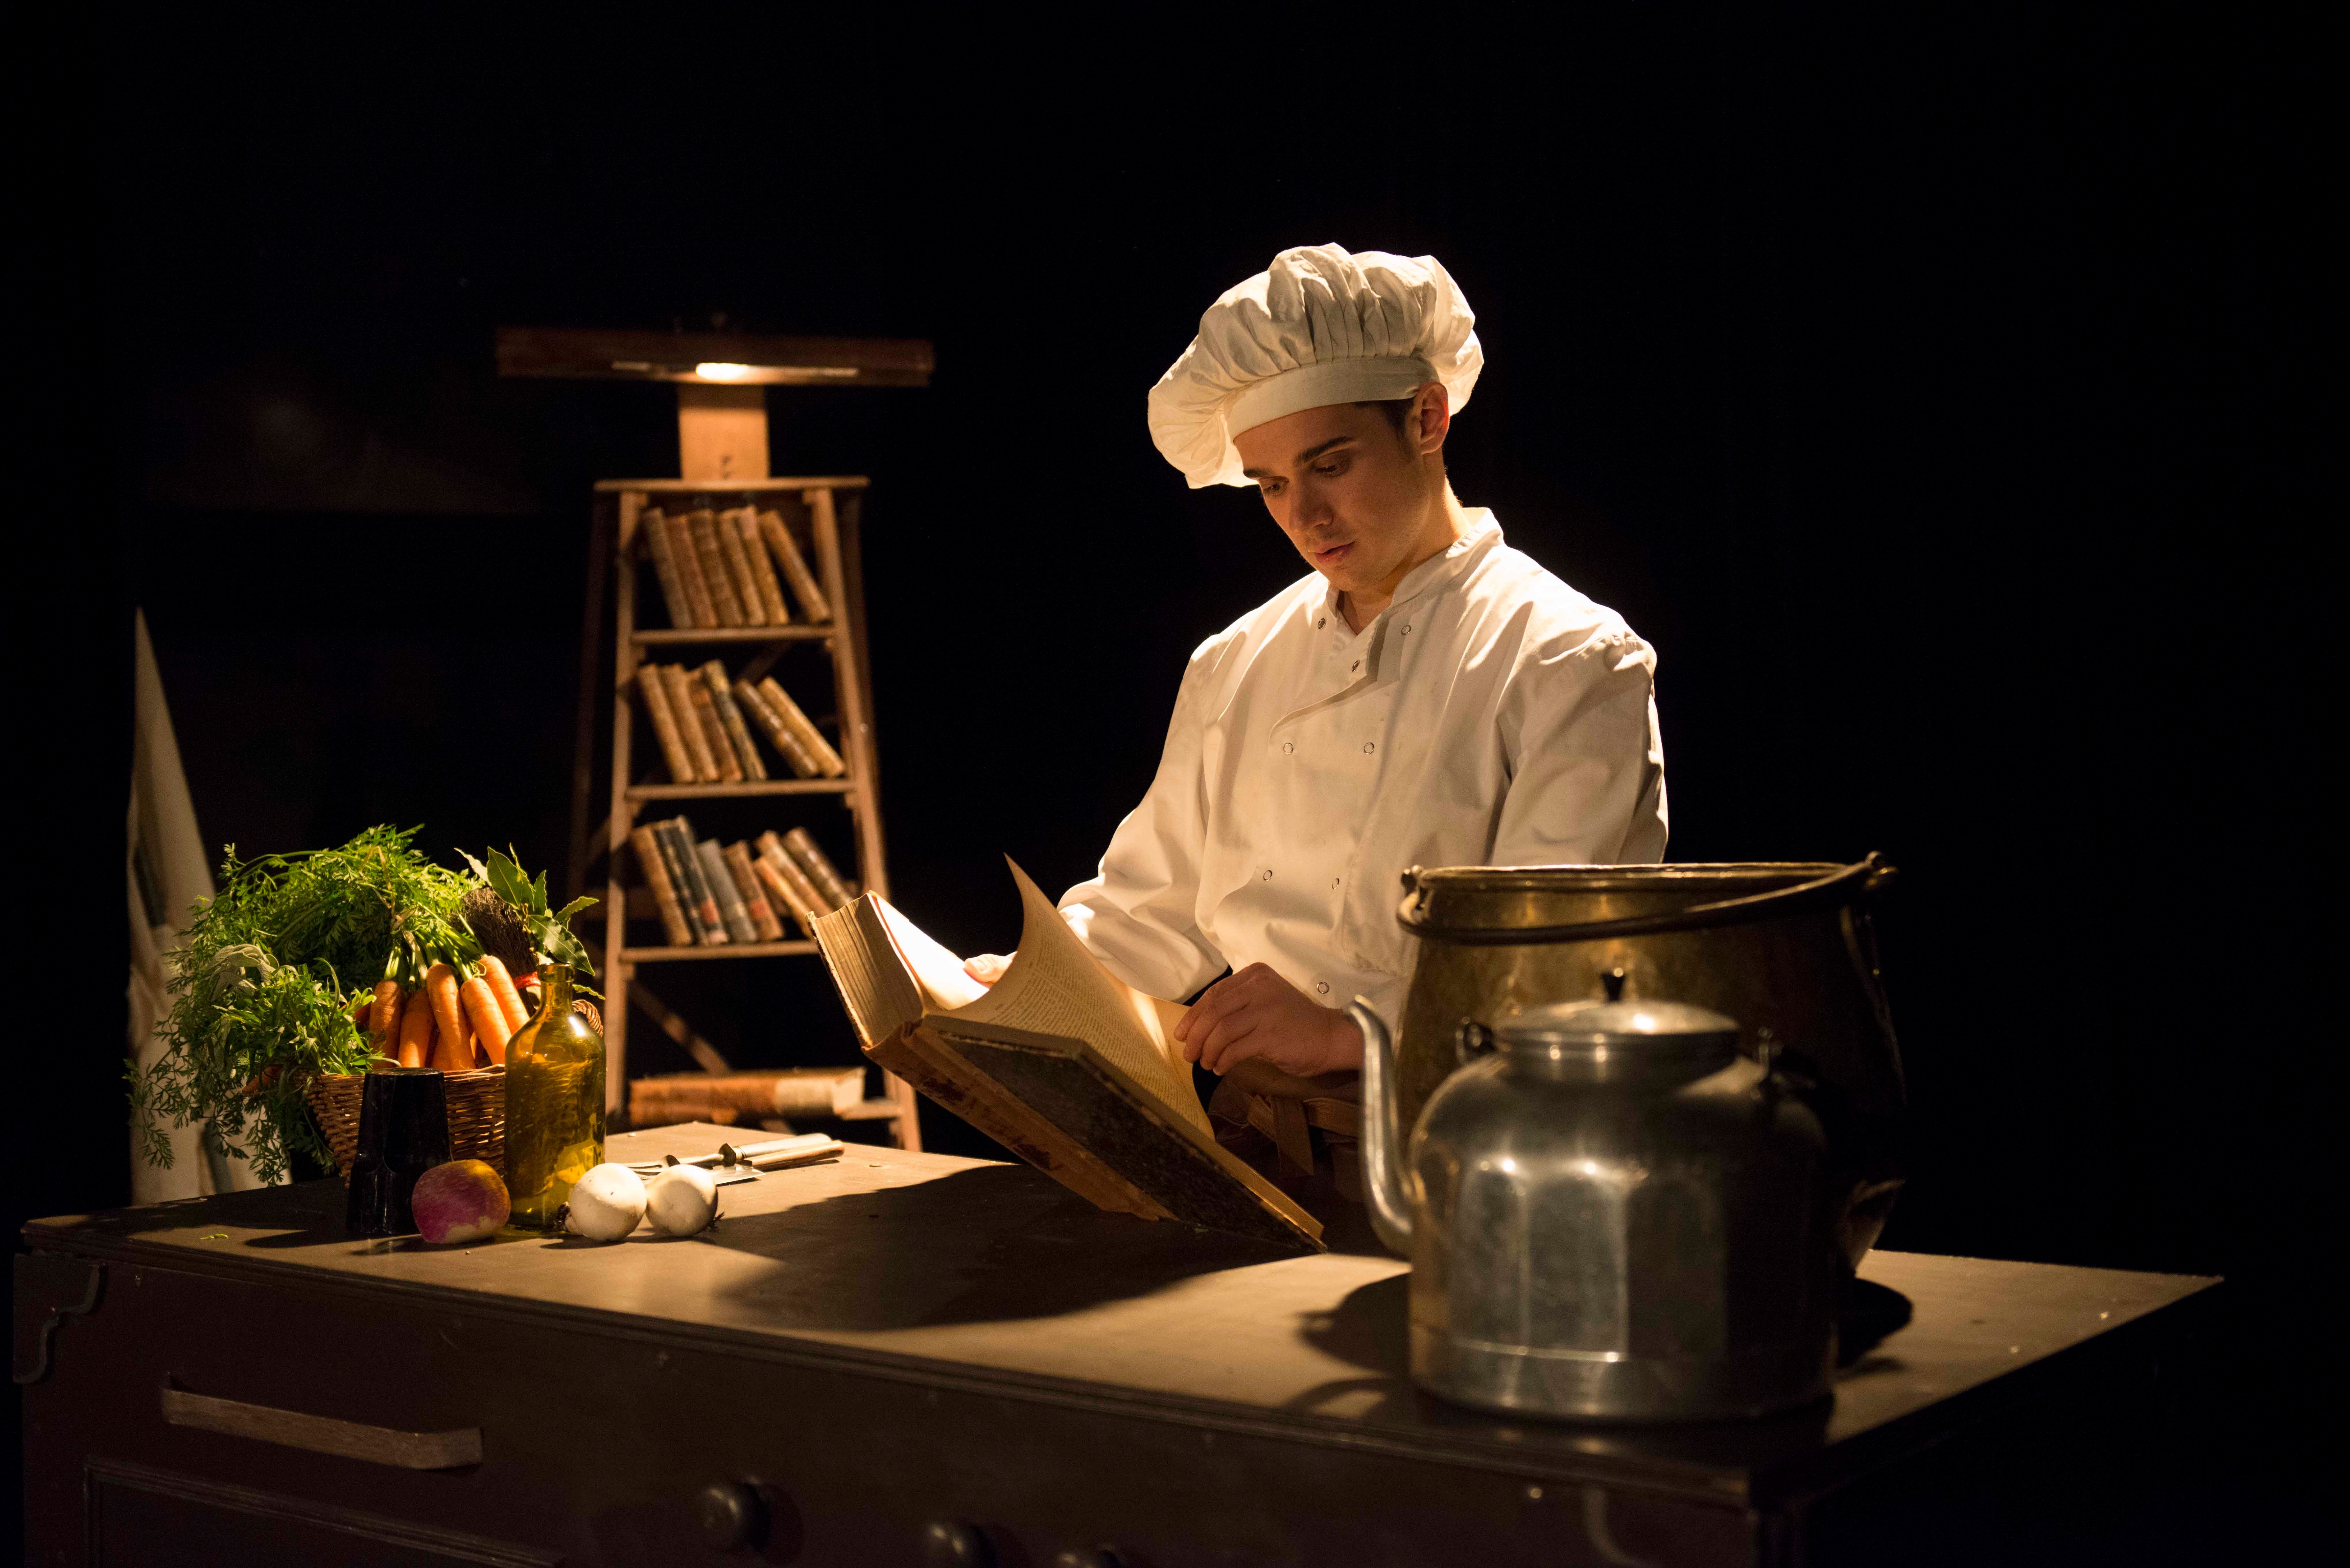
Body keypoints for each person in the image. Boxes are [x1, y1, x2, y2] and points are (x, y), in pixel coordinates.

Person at [969, 243, 1667, 1081]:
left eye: (1329, 466)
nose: (1305, 516)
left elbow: (1562, 966)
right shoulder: (1237, 662)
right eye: (1270, 485)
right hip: (1258, 1130)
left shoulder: (1569, 658)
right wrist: (1036, 980)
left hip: (1473, 1132)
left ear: (1428, 419)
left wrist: (1351, 1035)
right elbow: (1151, 910)